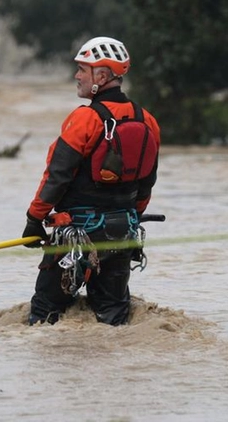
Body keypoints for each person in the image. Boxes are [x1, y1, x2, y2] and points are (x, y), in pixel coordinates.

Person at [22, 36, 162, 326]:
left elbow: (57, 176)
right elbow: (147, 182)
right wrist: (133, 215)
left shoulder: (85, 119)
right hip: (122, 234)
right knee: (113, 317)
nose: (77, 75)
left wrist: (34, 219)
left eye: (82, 69)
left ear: (102, 75)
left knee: (45, 313)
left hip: (75, 236)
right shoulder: (148, 120)